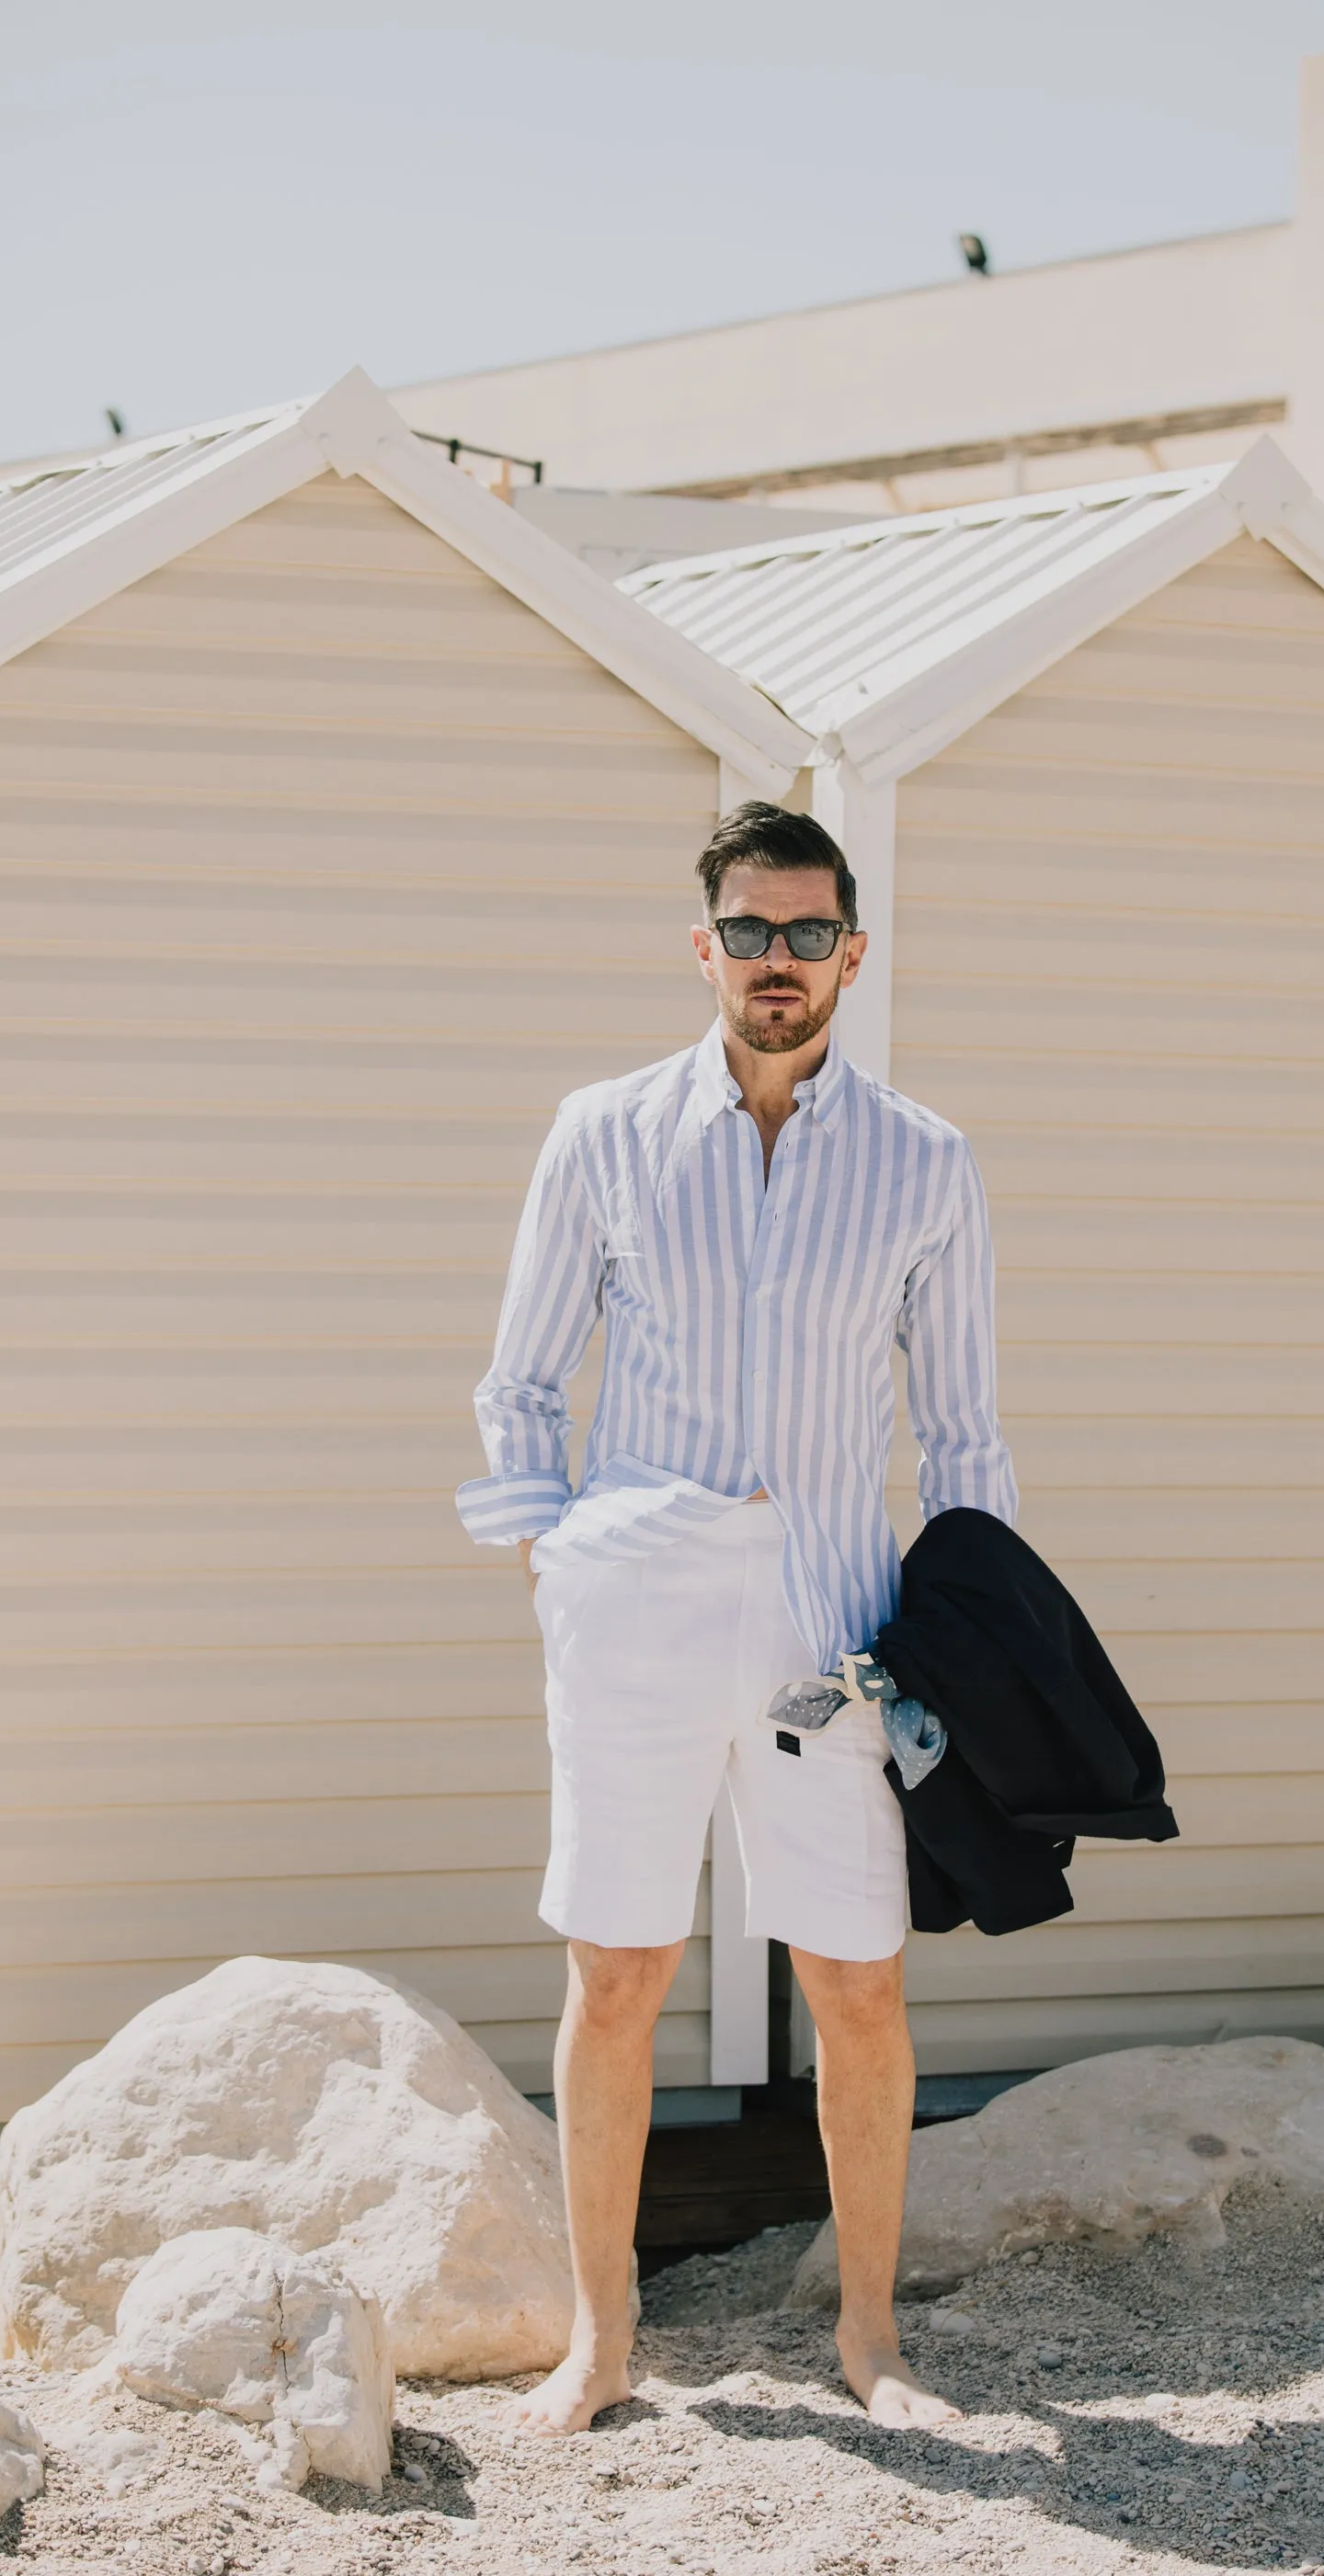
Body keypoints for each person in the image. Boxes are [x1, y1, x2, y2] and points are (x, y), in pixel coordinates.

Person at [458, 802, 1016, 2434]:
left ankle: (869, 2343)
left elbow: (966, 1433)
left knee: (857, 1984)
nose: (780, 964)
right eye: (750, 934)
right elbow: (519, 1382)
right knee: (619, 1971)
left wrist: (972, 1629)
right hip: (634, 1602)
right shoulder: (604, 1130)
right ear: (704, 948)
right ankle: (604, 2345)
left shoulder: (927, 1161)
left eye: (809, 934)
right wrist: (558, 1568)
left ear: (856, 949)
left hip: (831, 1621)